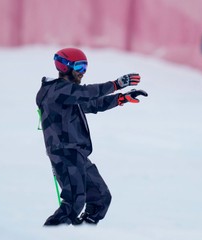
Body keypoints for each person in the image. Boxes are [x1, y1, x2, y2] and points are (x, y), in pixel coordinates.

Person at [36, 48, 148, 226]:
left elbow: (92, 103)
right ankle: (50, 234)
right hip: (64, 152)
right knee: (73, 202)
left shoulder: (69, 94)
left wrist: (122, 98)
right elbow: (87, 93)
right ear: (65, 67)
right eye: (79, 67)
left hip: (77, 154)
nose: (82, 73)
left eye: (85, 67)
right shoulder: (55, 92)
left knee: (100, 198)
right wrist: (117, 84)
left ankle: (85, 232)